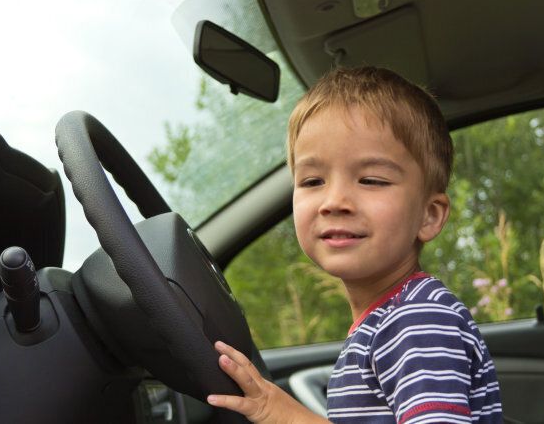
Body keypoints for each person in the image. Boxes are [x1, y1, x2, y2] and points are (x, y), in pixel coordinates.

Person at [206, 66, 503, 423]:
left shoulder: (416, 321)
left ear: (429, 215)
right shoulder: (386, 322)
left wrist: (284, 415)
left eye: (371, 180)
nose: (334, 200)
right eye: (313, 180)